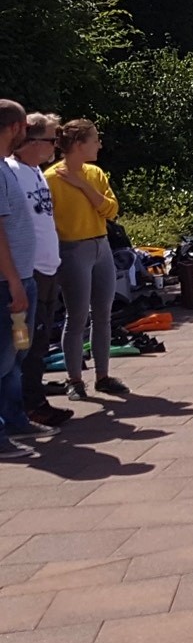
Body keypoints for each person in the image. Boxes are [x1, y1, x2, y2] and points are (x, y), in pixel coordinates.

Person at [46, 118, 126, 401]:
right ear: (79, 145)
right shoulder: (51, 178)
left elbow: (111, 210)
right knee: (76, 315)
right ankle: (74, 379)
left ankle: (102, 376)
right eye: (95, 140)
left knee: (103, 313)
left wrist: (83, 186)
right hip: (71, 250)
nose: (100, 144)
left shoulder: (94, 174)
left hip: (100, 246)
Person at [9, 112, 71, 430]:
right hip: (28, 272)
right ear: (30, 141)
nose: (55, 147)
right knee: (24, 345)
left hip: (48, 269)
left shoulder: (36, 172)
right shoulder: (13, 172)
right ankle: (26, 406)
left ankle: (35, 400)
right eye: (50, 140)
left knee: (40, 340)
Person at [0, 102, 41, 458]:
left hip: (21, 279)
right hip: (7, 285)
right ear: (15, 127)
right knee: (2, 359)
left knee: (14, 357)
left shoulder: (4, 168)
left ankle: (15, 420)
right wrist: (13, 281)